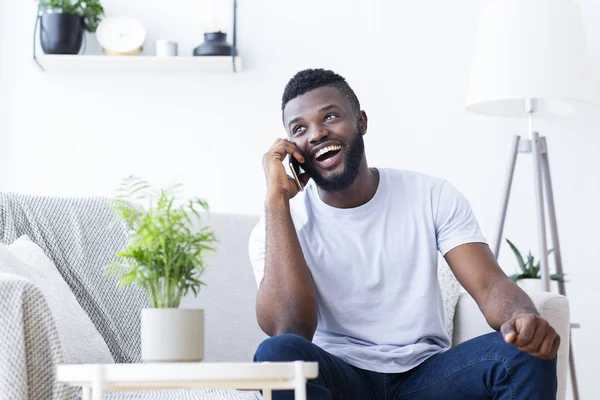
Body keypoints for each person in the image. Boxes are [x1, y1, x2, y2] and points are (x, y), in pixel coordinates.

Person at [248, 68, 559, 400]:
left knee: (525, 353)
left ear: (361, 122)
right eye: (300, 129)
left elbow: (489, 285)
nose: (316, 134)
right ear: (290, 149)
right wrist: (276, 200)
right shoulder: (277, 225)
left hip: (426, 379)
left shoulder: (431, 195)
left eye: (331, 116)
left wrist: (519, 315)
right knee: (276, 355)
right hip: (340, 379)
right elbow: (291, 329)